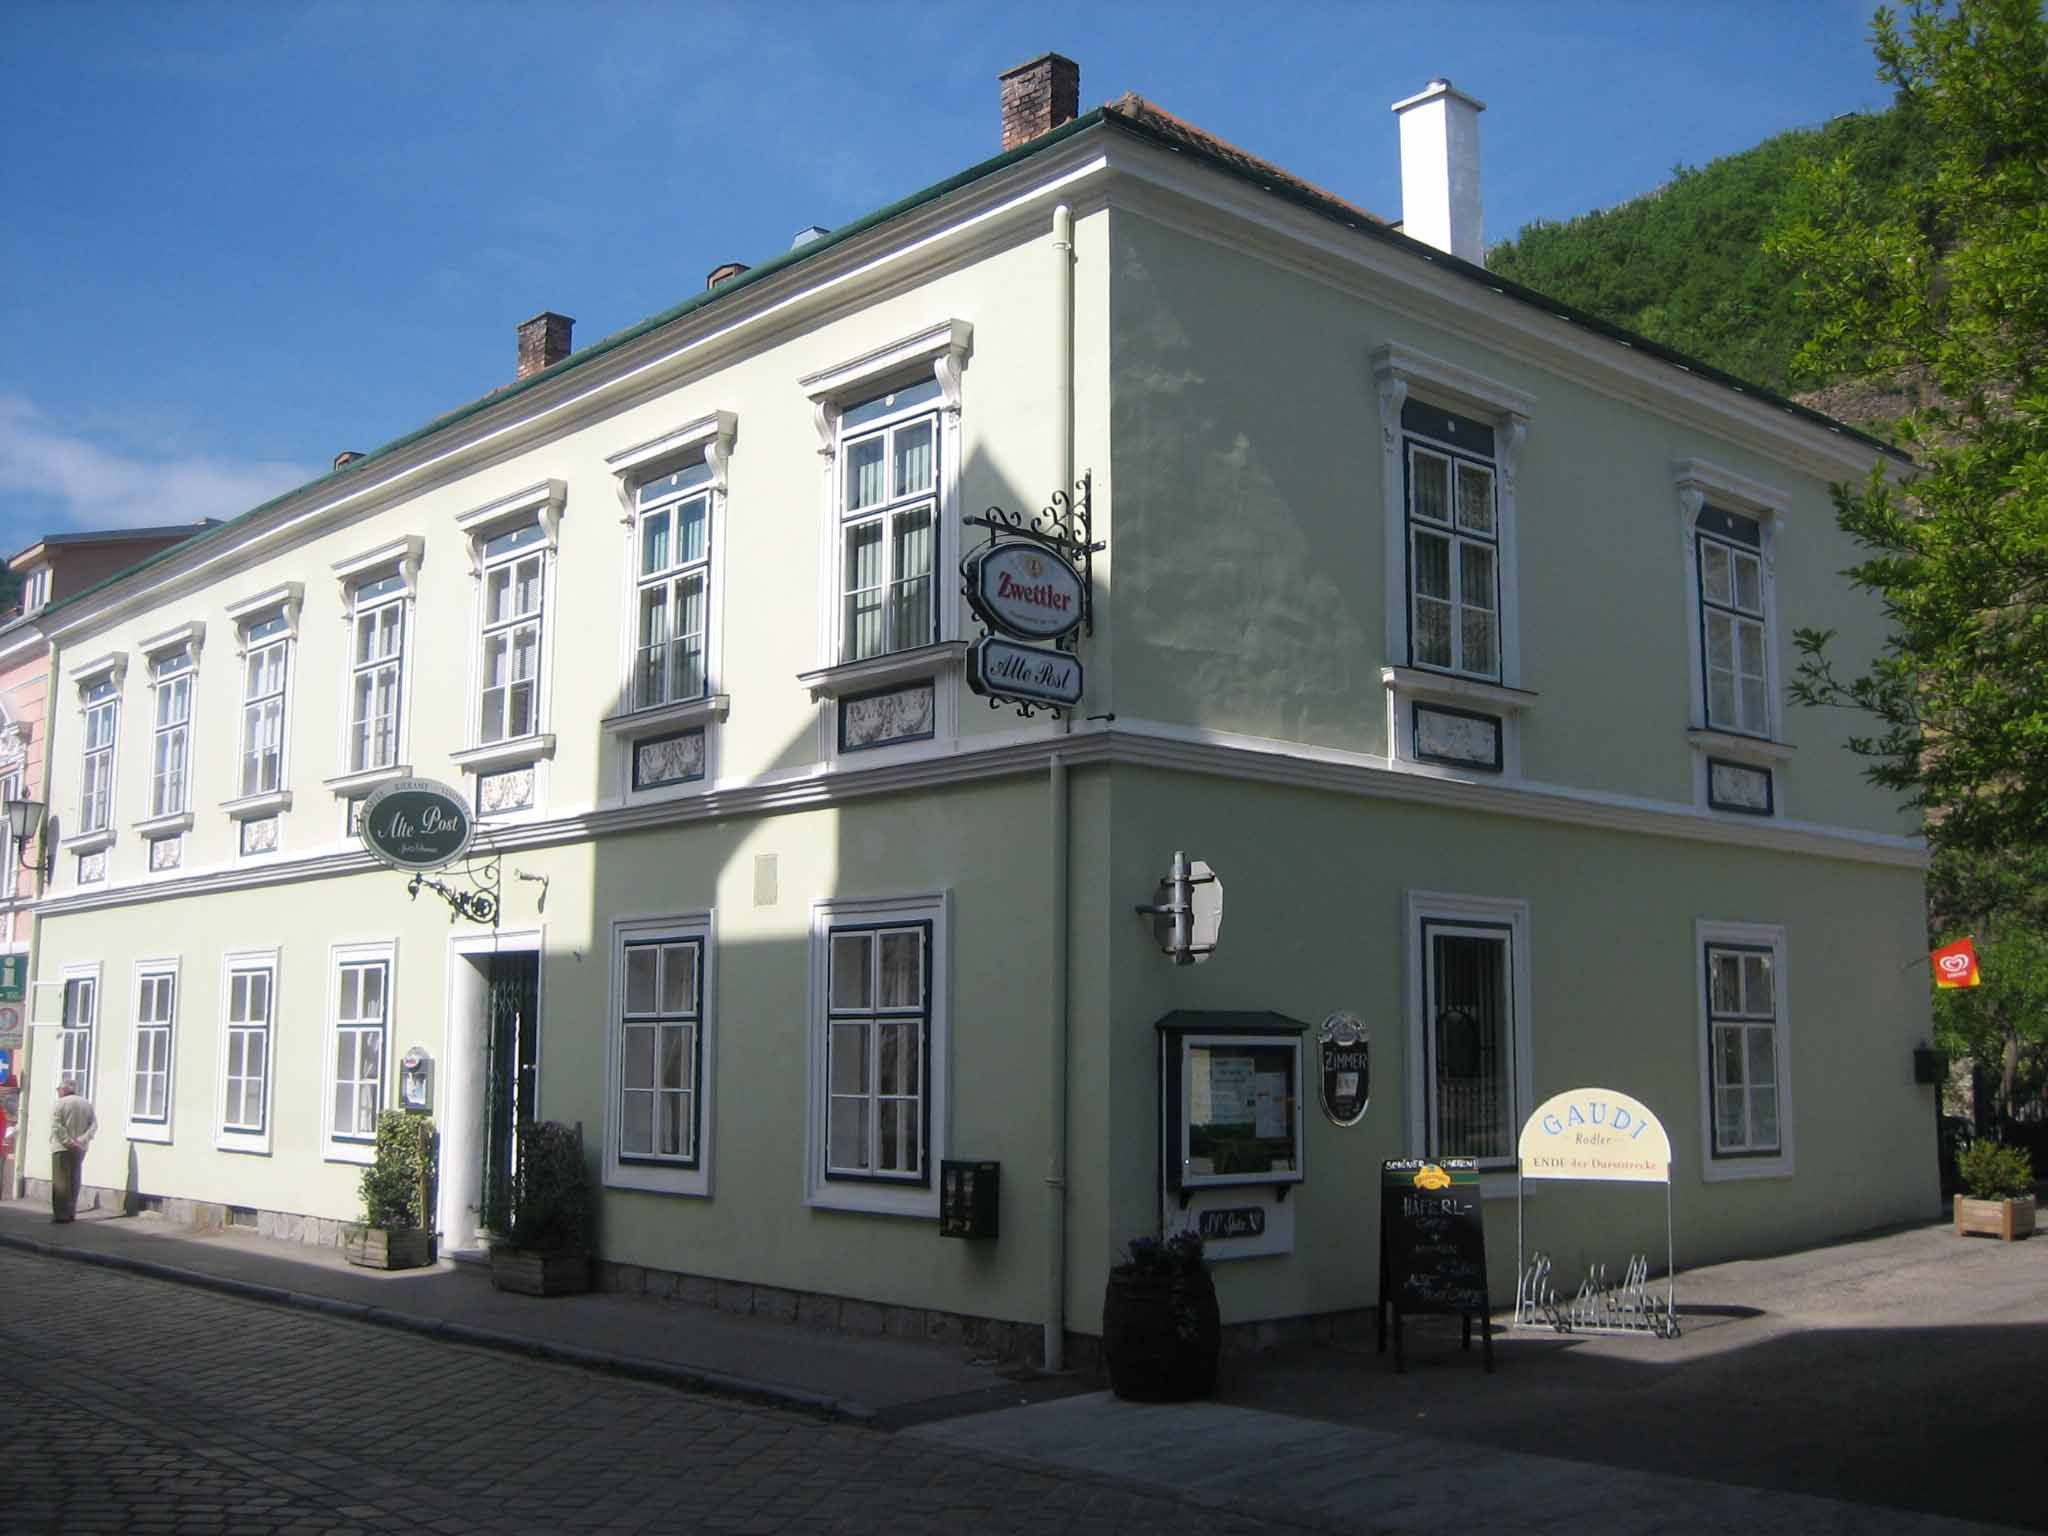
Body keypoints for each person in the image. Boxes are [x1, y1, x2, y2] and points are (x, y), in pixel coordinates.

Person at [49, 1079, 95, 1223]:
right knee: (74, 1178)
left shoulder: (60, 1103)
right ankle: (71, 1212)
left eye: (59, 1089)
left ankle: (61, 1215)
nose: (58, 1091)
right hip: (80, 1147)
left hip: (61, 1147)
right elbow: (93, 1126)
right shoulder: (86, 1104)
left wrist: (68, 1141)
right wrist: (81, 1140)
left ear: (64, 1089)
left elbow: (56, 1126)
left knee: (61, 1181)